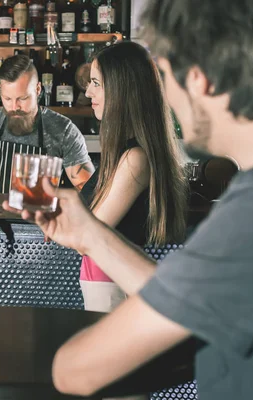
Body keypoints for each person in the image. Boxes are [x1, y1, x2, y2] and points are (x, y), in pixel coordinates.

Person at [4, 0, 253, 398]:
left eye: (166, 75)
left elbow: (75, 370)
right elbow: (191, 304)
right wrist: (89, 235)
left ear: (200, 78)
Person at [79, 41, 187, 312]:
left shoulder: (135, 159)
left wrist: (58, 209)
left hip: (112, 285)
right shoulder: (123, 153)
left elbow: (88, 237)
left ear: (121, 91)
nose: (88, 90)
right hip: (104, 281)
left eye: (96, 83)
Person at [0, 54, 95, 193]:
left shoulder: (63, 130)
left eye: (22, 98)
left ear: (37, 89)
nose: (14, 107)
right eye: (7, 98)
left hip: (41, 214)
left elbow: (87, 188)